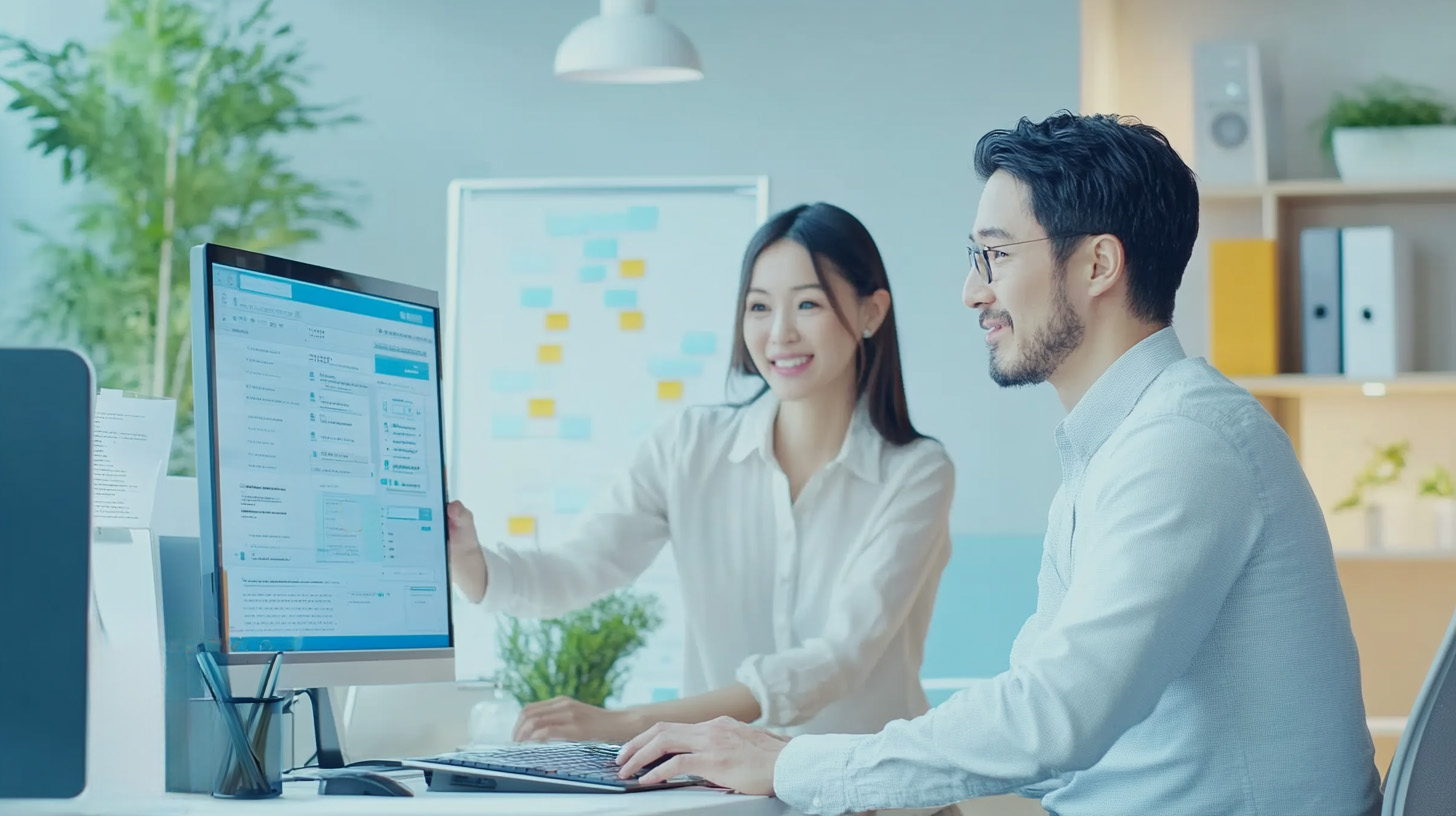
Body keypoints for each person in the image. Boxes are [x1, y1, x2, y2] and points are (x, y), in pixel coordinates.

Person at [616, 113, 1385, 816]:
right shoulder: (1116, 446)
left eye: (993, 255)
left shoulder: (1186, 446)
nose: (971, 291)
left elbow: (1059, 716)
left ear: (1097, 265)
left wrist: (793, 764)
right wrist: (901, 788)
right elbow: (1047, 731)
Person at [447, 202, 956, 745]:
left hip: (872, 798)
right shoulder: (689, 447)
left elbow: (839, 659)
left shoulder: (916, 473)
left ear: (871, 312)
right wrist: (473, 564)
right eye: (759, 307)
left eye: (808, 303)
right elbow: (579, 567)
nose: (779, 333)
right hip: (727, 794)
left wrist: (632, 722)